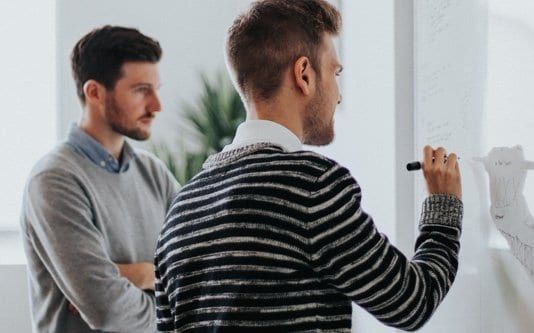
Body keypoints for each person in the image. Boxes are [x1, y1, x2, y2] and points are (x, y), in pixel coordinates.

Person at [154, 0, 463, 332]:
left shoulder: (181, 209)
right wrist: (443, 207)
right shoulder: (311, 185)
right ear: (303, 74)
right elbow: (411, 303)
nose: (339, 95)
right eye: (335, 72)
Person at [21, 25, 179, 332]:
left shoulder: (155, 174)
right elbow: (110, 313)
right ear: (94, 92)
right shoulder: (53, 180)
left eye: (156, 89)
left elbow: (197, 278)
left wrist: (140, 274)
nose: (156, 106)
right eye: (140, 90)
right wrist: (154, 282)